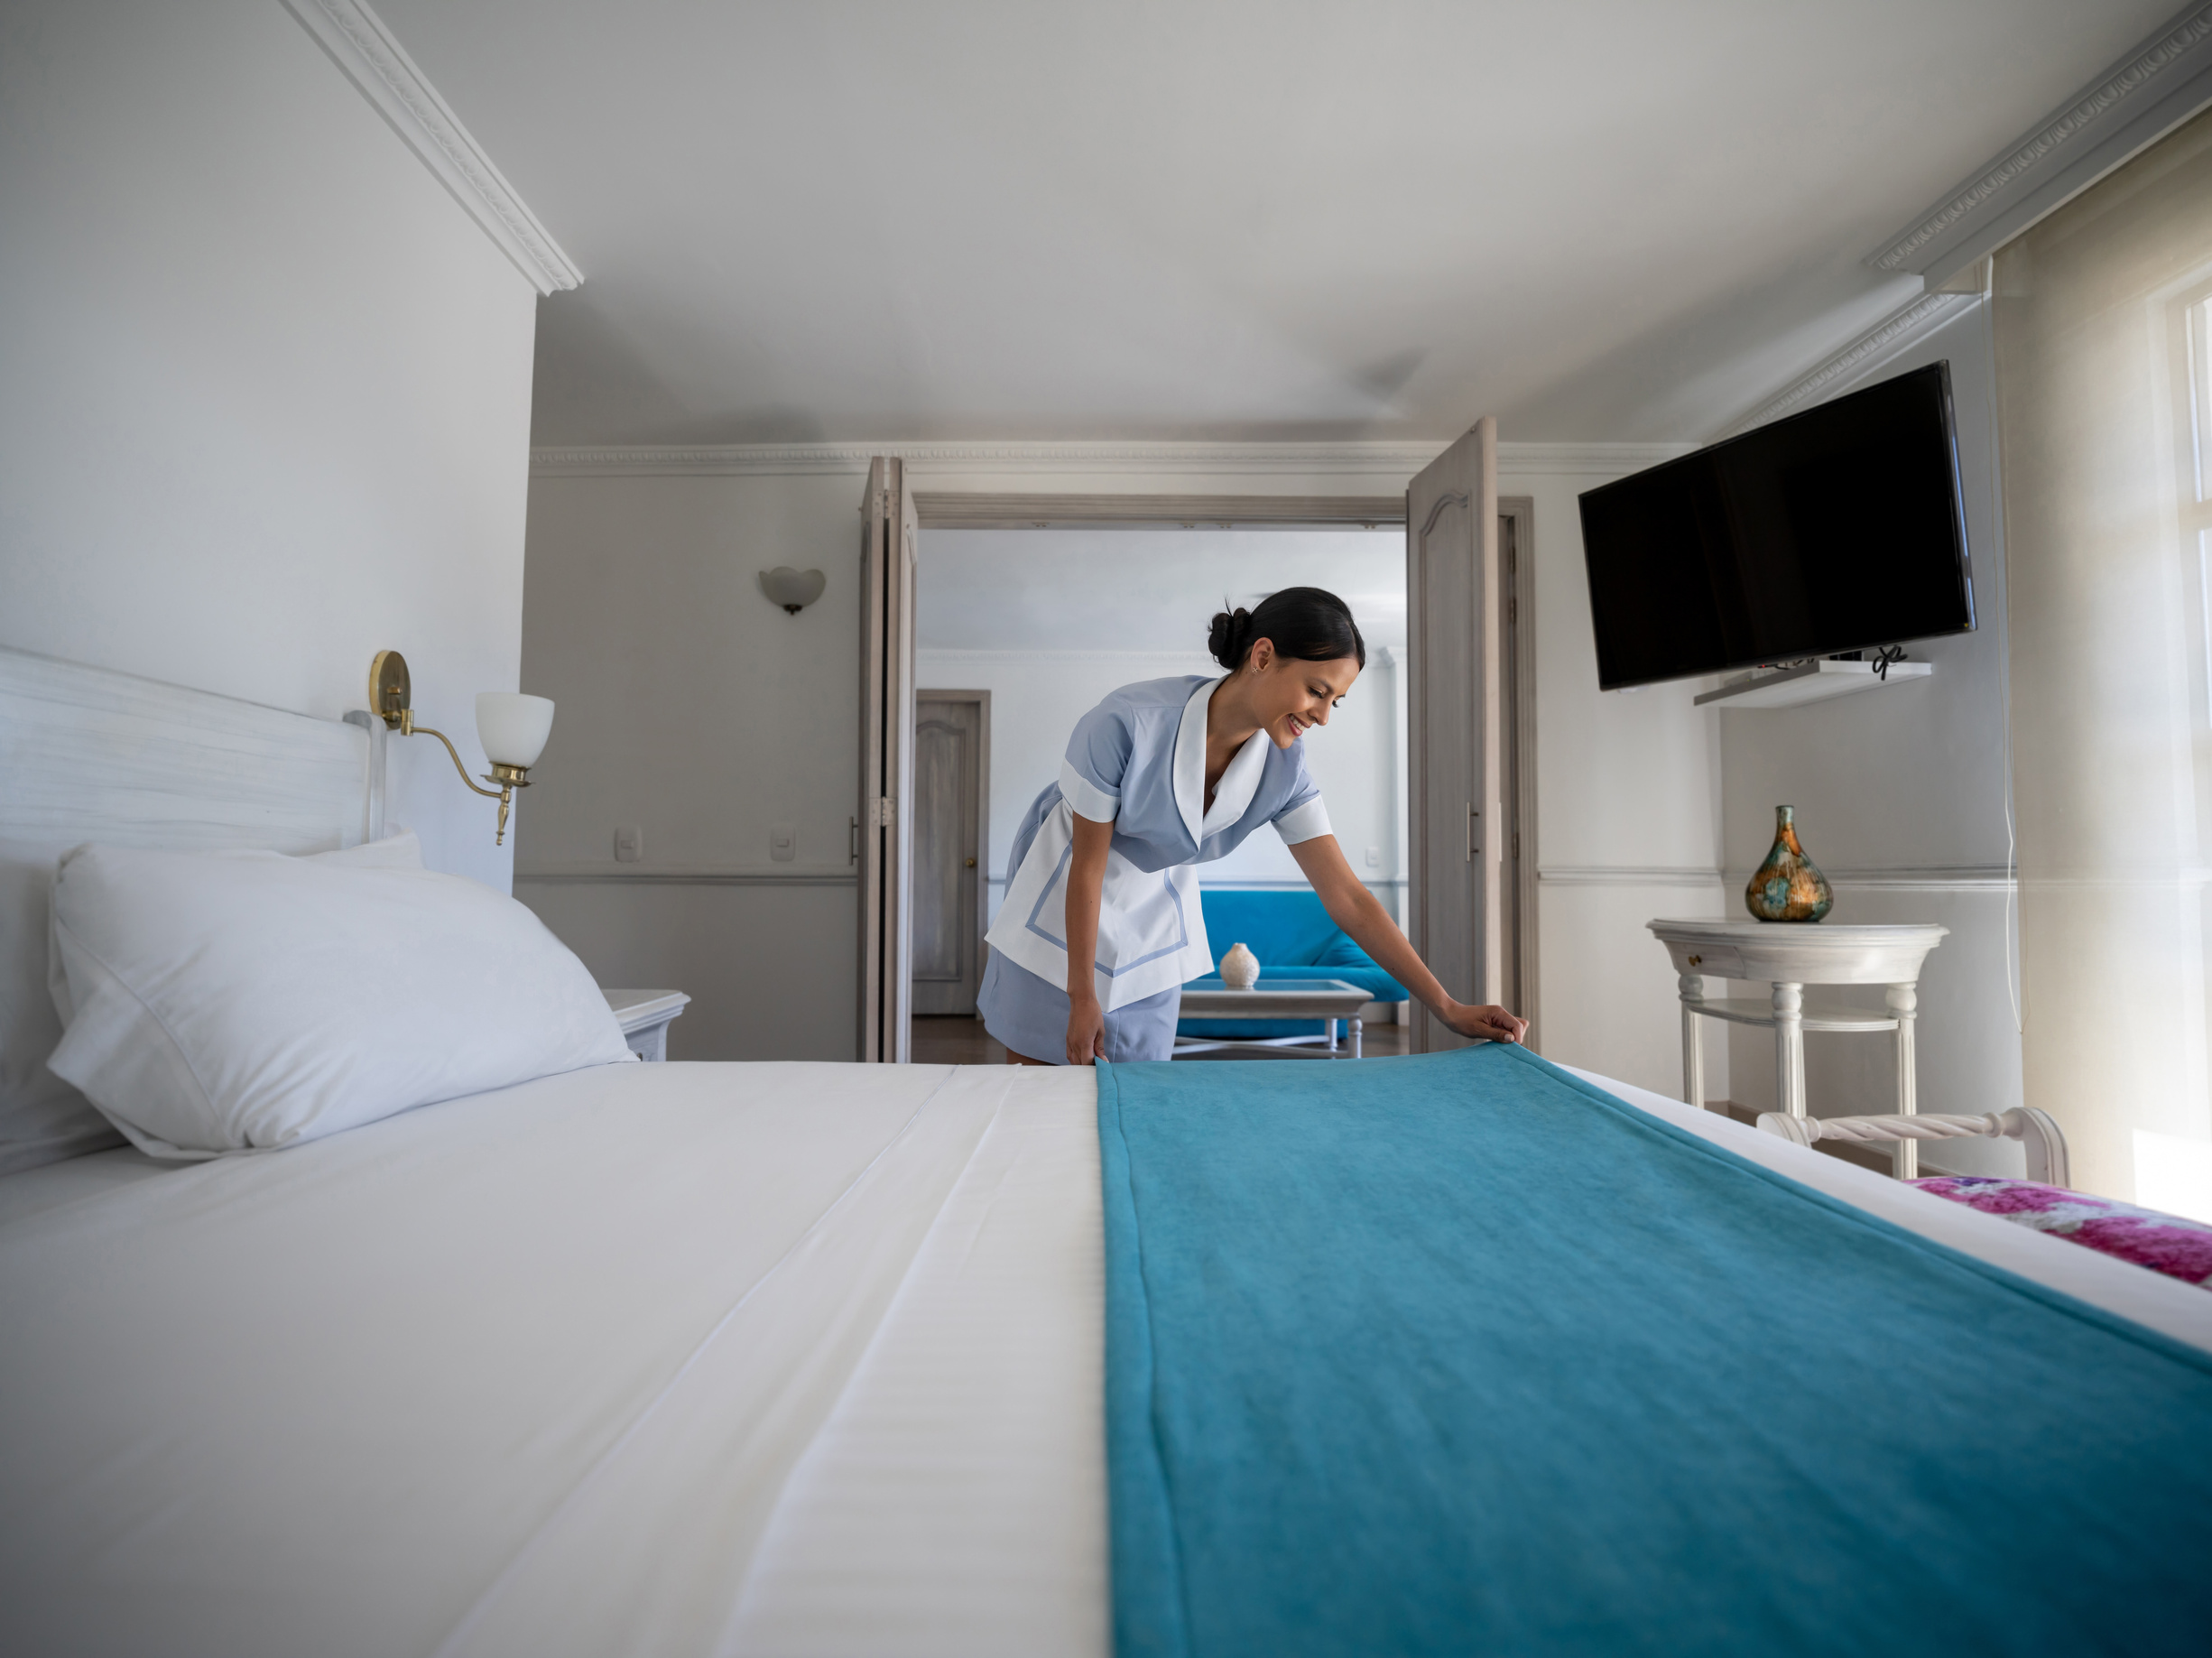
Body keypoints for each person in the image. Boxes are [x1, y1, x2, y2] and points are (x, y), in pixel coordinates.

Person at [977, 586, 1529, 1065]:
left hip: (1151, 915)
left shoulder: (1285, 770)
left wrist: (1447, 1006)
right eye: (1317, 691)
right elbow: (1089, 867)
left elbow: (1347, 897)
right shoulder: (1125, 724)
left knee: (1134, 1097)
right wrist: (1081, 996)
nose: (1323, 716)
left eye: (1336, 700)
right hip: (1064, 899)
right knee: (1038, 1093)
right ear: (1263, 656)